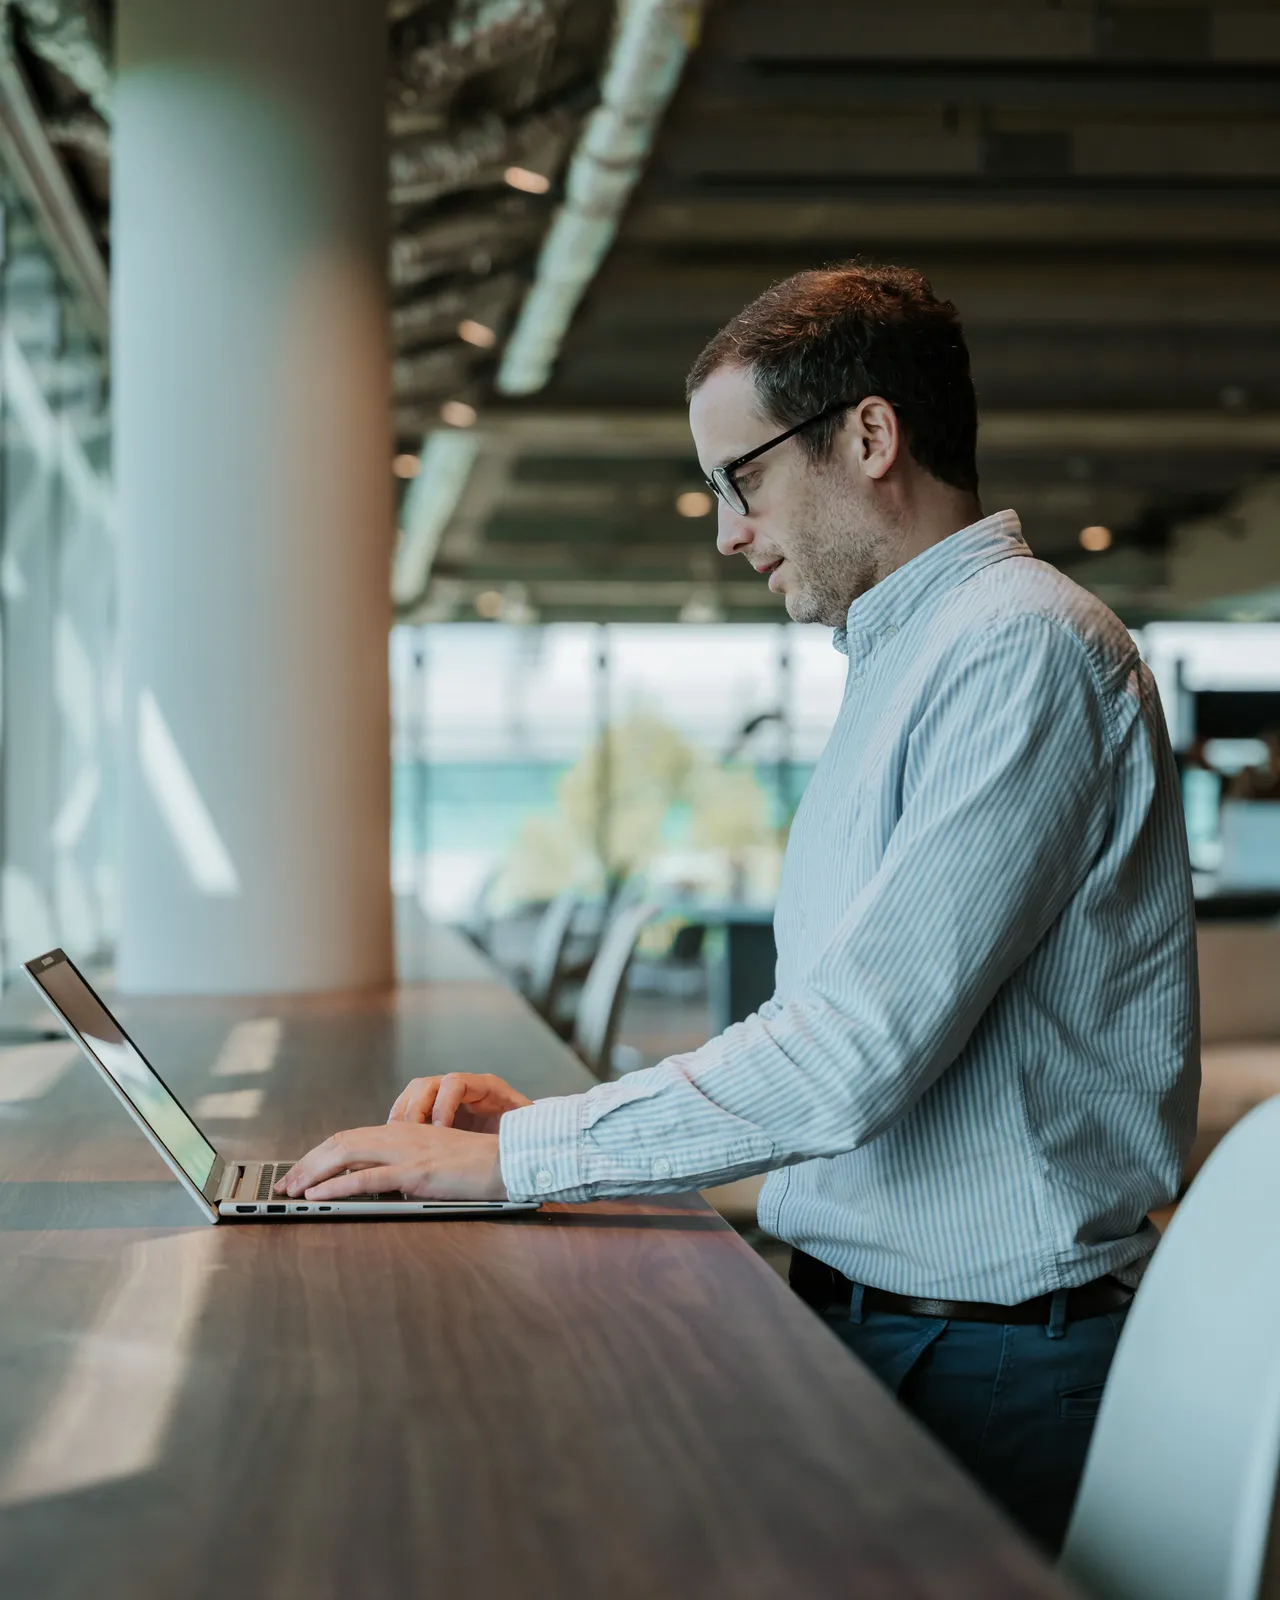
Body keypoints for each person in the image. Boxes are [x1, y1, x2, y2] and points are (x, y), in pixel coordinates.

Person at [280, 263, 1199, 1554]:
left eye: (743, 478)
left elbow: (848, 1060)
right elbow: (827, 1024)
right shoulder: (918, 654)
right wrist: (549, 1124)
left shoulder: (1021, 649)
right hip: (888, 1325)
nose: (726, 530)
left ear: (870, 437)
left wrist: (518, 1162)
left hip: (977, 1367)